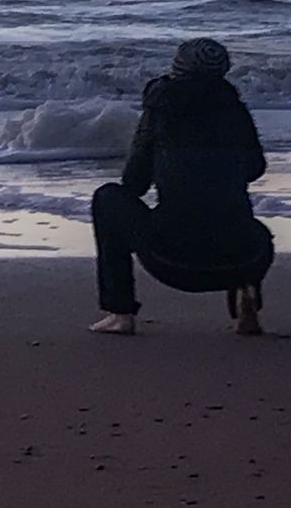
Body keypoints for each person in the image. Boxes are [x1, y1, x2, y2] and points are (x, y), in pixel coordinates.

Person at [89, 38, 274, 336]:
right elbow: (255, 169)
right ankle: (247, 292)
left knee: (108, 198)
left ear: (178, 67)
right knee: (254, 230)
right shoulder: (235, 110)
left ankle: (119, 311)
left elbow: (133, 184)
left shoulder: (161, 109)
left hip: (173, 260)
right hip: (244, 258)